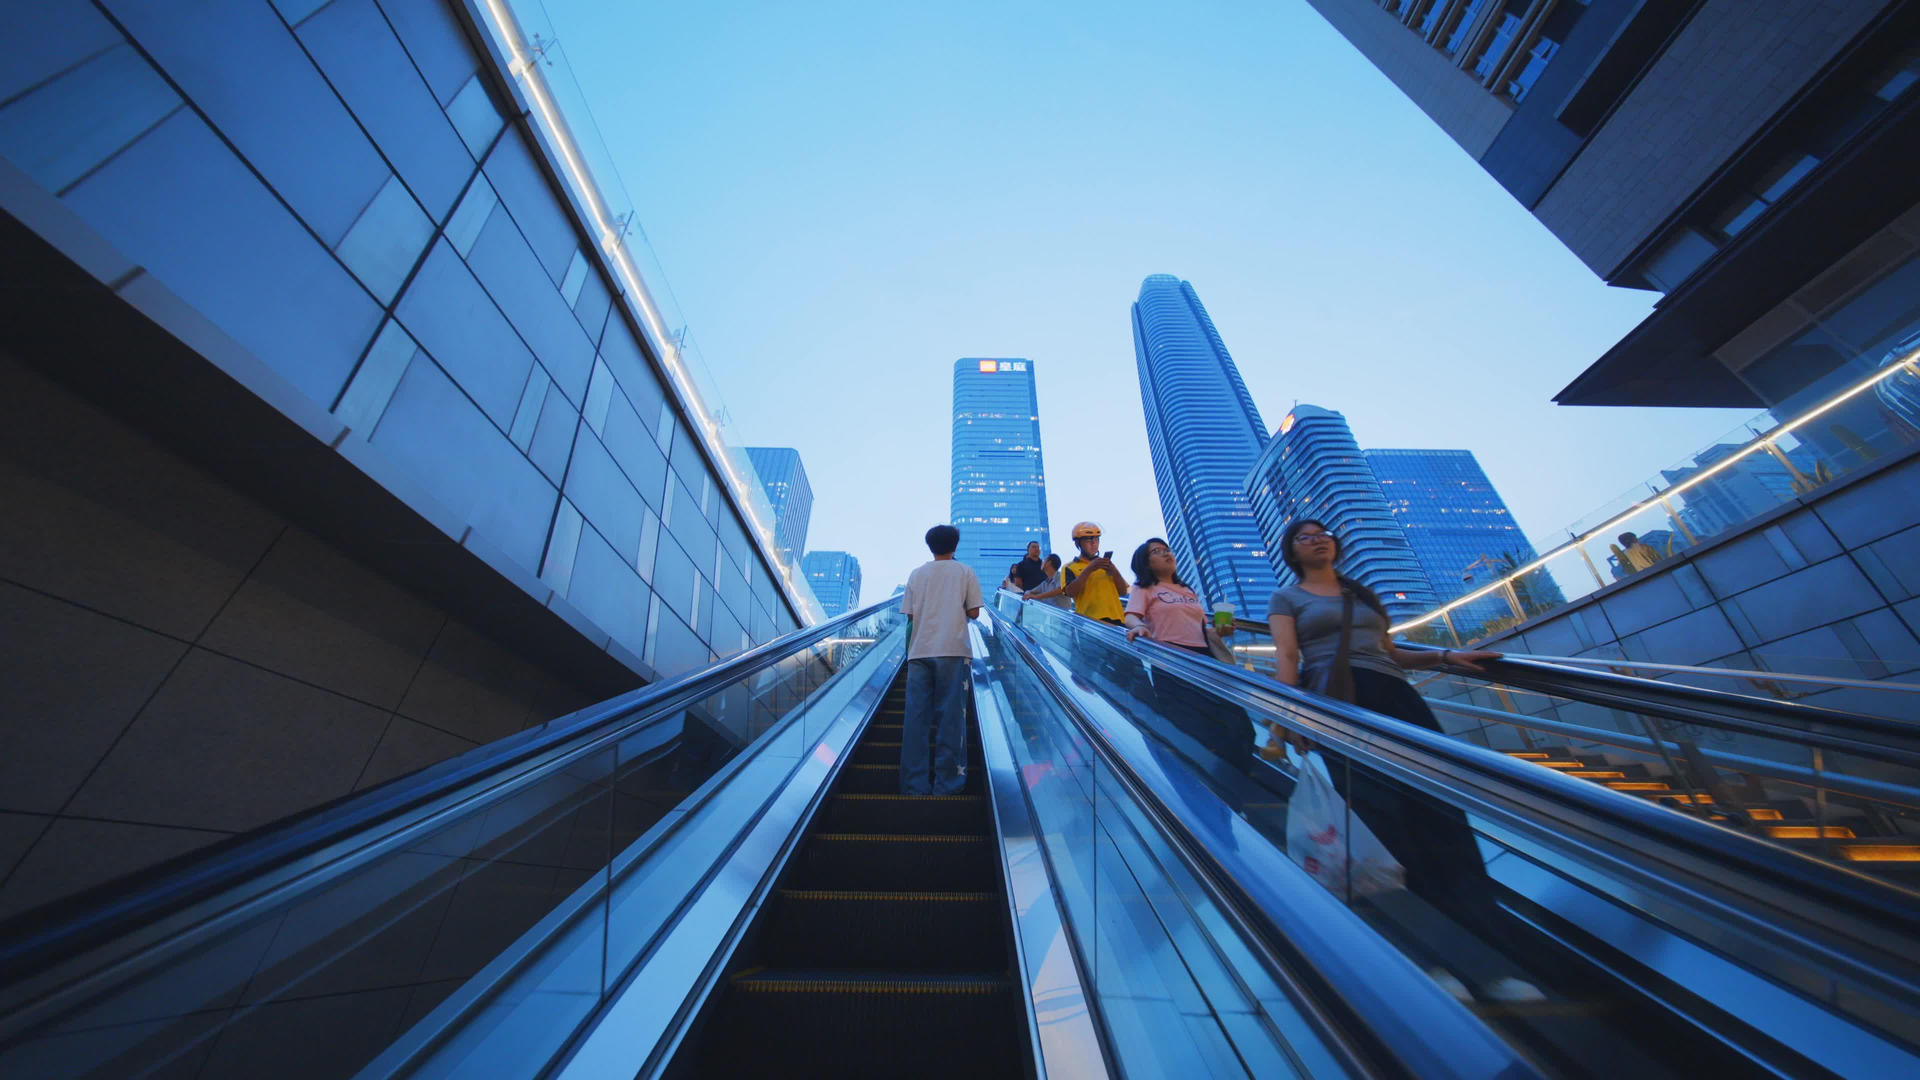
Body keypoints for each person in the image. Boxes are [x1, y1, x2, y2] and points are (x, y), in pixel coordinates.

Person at [1266, 517, 1540, 1004]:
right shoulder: (1288, 599)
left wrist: (1446, 658)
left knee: (1445, 825)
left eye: (1322, 533)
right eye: (1303, 537)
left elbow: (1389, 651)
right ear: (1291, 551)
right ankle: (1428, 963)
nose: (1316, 539)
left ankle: (1493, 966)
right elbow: (1289, 659)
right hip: (1341, 708)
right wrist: (1287, 721)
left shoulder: (1360, 594)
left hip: (1398, 702)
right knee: (1387, 832)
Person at [899, 524, 984, 796]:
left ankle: (914, 786)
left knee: (916, 720)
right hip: (953, 650)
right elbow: (974, 612)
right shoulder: (965, 571)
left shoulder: (916, 574)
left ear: (929, 546)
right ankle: (948, 785)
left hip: (919, 652)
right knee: (950, 719)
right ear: (955, 546)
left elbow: (910, 616)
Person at [1122, 538, 1210, 656]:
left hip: (1204, 653)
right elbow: (1130, 616)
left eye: (1167, 550)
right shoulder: (1144, 587)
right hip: (1167, 652)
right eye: (1157, 551)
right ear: (1146, 563)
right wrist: (1139, 626)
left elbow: (1203, 624)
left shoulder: (1187, 589)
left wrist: (1222, 628)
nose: (1165, 553)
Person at [1033, 521, 1127, 624]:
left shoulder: (1105, 565)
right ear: (1078, 543)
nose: (1094, 543)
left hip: (1118, 621)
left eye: (1096, 539)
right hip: (1090, 623)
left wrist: (1114, 570)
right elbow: (1070, 592)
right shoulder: (1069, 567)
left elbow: (1123, 592)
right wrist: (1089, 569)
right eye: (1088, 540)